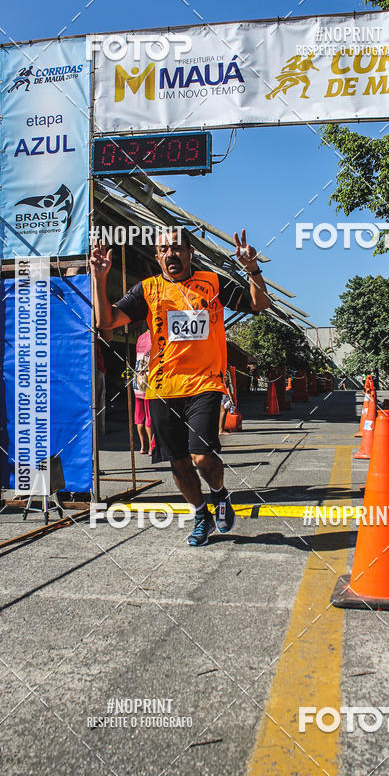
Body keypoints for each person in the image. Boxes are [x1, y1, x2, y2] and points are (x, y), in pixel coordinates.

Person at [90, 227, 270, 546]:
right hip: (163, 389)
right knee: (179, 463)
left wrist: (252, 269)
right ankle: (202, 513)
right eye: (164, 249)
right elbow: (106, 322)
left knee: (201, 456)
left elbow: (258, 304)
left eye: (177, 247)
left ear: (190, 253)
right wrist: (100, 277)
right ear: (157, 257)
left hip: (205, 383)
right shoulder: (148, 289)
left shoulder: (212, 283)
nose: (171, 253)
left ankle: (220, 495)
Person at [133, 330, 154, 454]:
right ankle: (152, 447)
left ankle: (143, 446)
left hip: (138, 379)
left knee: (139, 415)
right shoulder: (154, 337)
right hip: (148, 379)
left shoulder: (140, 338)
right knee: (149, 414)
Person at [219, 368, 236, 435]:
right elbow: (227, 387)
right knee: (223, 412)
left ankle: (221, 429)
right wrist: (231, 398)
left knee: (223, 412)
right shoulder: (225, 375)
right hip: (224, 395)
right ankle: (220, 430)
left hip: (221, 394)